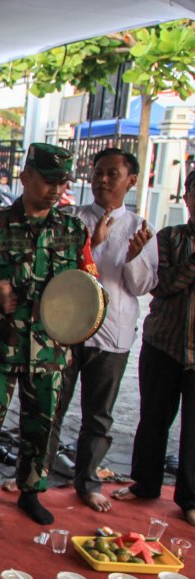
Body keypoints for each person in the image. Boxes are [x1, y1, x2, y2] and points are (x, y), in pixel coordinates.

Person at [0, 143, 97, 524]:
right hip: (0, 343)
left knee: (42, 421)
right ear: (26, 176)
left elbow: (87, 284)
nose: (55, 190)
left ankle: (31, 492)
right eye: (48, 181)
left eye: (61, 182)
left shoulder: (73, 230)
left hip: (49, 347)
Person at [42, 149, 156, 512]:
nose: (102, 180)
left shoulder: (140, 228)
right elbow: (57, 270)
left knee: (98, 416)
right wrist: (94, 243)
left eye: (112, 174)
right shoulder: (72, 219)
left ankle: (88, 482)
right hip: (67, 330)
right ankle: (35, 475)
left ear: (131, 181)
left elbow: (141, 287)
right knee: (50, 406)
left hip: (112, 335)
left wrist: (134, 257)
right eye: (97, 173)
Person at [112, 171, 192, 520]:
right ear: (187, 199)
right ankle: (145, 484)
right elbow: (160, 285)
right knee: (154, 419)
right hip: (163, 342)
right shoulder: (170, 238)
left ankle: (190, 499)